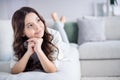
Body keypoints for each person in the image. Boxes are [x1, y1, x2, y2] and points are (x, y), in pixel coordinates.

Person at [11, 7, 63, 74]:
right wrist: (28, 53)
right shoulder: (19, 43)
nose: (37, 27)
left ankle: (58, 22)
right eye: (30, 25)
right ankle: (59, 23)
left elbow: (52, 69)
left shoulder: (55, 35)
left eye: (38, 20)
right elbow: (14, 70)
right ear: (22, 32)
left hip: (64, 46)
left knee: (60, 30)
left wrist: (38, 50)